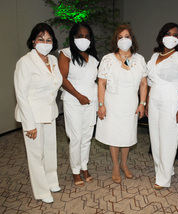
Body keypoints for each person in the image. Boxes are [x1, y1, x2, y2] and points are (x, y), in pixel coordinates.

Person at [14, 23, 62, 203]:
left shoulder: (53, 60)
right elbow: (21, 95)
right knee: (35, 154)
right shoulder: (25, 62)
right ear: (33, 41)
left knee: (50, 150)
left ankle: (51, 181)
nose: (45, 42)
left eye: (49, 40)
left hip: (49, 112)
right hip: (32, 115)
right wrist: (29, 124)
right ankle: (41, 191)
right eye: (41, 39)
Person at [95, 24, 147, 184]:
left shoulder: (139, 59)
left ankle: (124, 164)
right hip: (112, 103)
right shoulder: (108, 59)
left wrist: (143, 103)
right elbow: (101, 83)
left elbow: (144, 83)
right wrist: (101, 104)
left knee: (127, 136)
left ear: (132, 39)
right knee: (114, 135)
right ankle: (116, 166)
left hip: (130, 103)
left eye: (127, 36)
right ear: (115, 40)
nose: (124, 40)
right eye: (120, 37)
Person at [146, 22, 178, 190]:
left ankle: (164, 179)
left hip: (172, 100)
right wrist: (146, 102)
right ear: (161, 36)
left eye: (176, 35)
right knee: (156, 139)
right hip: (154, 100)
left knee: (168, 139)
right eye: (168, 33)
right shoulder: (154, 56)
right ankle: (164, 170)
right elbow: (150, 81)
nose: (171, 37)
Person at [58, 23, 99, 186]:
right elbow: (62, 78)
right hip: (73, 101)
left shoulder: (94, 58)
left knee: (87, 137)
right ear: (73, 37)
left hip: (91, 102)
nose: (84, 39)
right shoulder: (65, 53)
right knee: (75, 137)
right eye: (80, 36)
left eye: (87, 36)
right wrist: (78, 96)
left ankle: (84, 167)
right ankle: (75, 171)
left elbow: (95, 81)